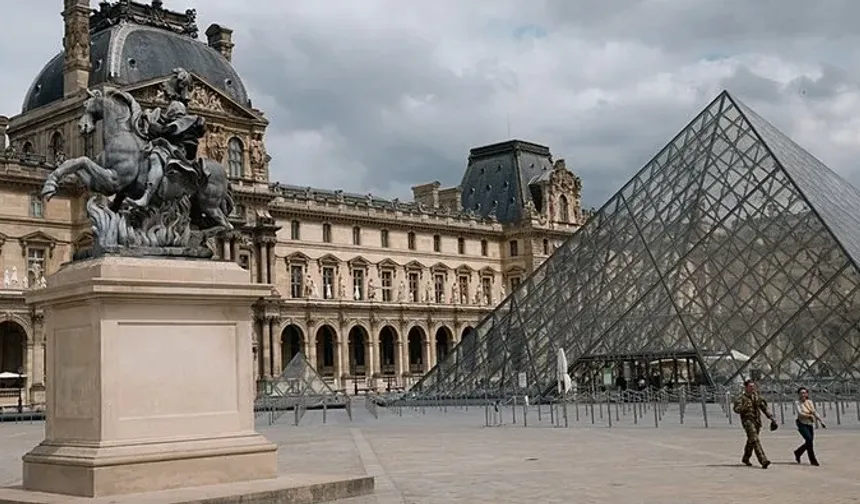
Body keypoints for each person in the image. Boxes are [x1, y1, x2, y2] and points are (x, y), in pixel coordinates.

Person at [732, 379, 776, 468]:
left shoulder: (757, 397)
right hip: (748, 421)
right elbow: (736, 409)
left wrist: (771, 418)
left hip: (757, 421)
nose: (752, 388)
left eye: (753, 386)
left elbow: (763, 408)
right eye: (750, 386)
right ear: (746, 388)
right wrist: (744, 407)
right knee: (755, 439)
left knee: (751, 440)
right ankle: (763, 460)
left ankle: (746, 458)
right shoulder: (741, 398)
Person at [794, 386, 825, 466]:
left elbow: (814, 411)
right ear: (799, 395)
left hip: (809, 424)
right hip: (801, 424)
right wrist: (809, 415)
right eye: (801, 393)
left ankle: (798, 452)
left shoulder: (809, 402)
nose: (803, 394)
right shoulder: (797, 403)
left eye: (804, 393)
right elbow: (800, 413)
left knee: (809, 441)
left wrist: (821, 421)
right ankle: (813, 460)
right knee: (809, 439)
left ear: (807, 394)